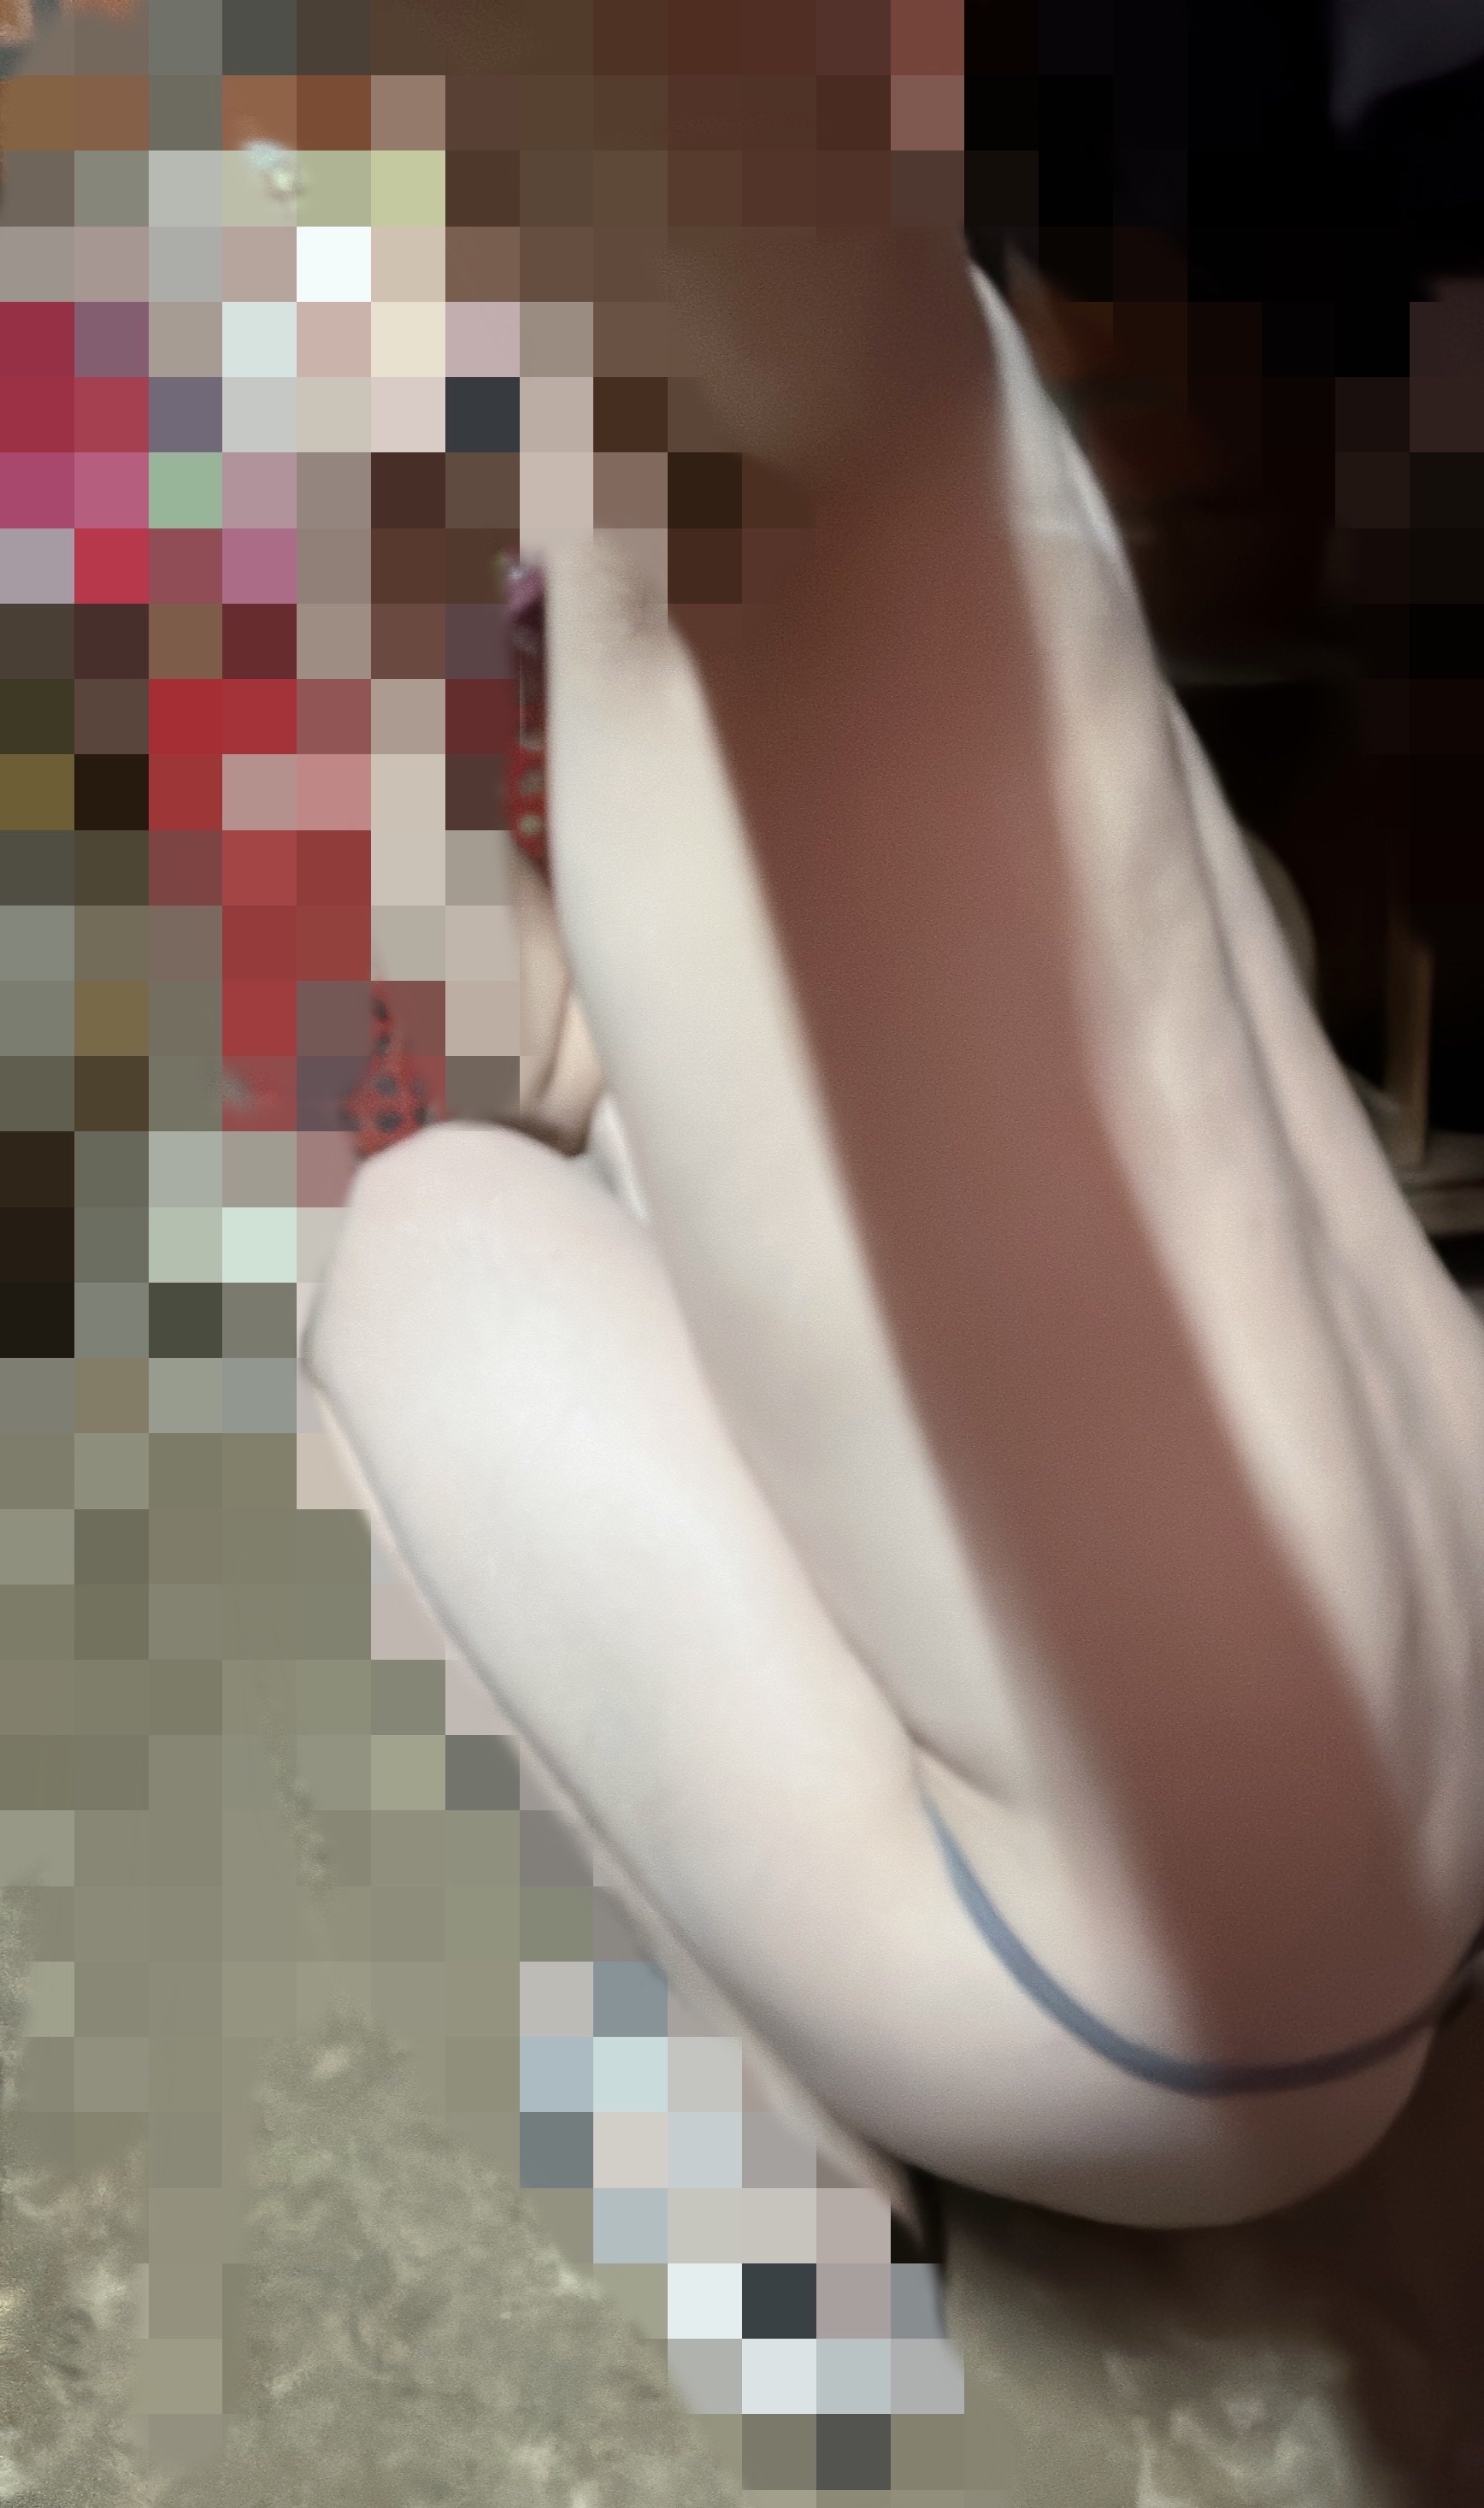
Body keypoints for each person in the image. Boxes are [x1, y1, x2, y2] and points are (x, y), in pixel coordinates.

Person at [303, 29, 1484, 2235]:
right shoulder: (945, 389)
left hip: (1143, 2020)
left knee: (403, 1244)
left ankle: (756, 2168)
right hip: (1436, 1791)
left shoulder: (741, 375)